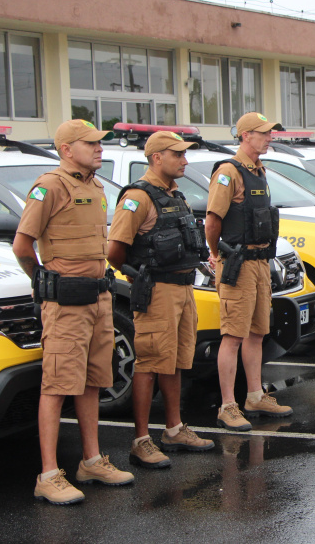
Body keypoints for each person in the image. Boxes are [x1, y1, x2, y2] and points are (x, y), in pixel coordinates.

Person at [12, 119, 134, 505]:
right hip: (65, 301)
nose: (100, 149)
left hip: (98, 297)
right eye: (91, 143)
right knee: (57, 382)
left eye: (100, 143)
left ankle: (92, 460)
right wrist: (44, 282)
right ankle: (48, 475)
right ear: (66, 149)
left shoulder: (96, 186)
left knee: (93, 379)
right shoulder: (50, 185)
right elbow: (22, 245)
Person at [107, 131, 214, 469]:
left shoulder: (174, 194)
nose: (184, 160)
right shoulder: (138, 197)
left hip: (183, 288)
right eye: (177, 154)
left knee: (176, 361)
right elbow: (115, 251)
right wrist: (138, 276)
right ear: (156, 158)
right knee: (150, 364)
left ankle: (174, 428)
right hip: (157, 291)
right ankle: (141, 441)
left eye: (184, 154)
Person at [206, 112, 292, 431]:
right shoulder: (229, 172)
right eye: (264, 133)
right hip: (237, 264)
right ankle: (228, 405)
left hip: (259, 262)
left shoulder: (259, 170)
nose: (270, 137)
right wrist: (217, 255)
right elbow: (213, 220)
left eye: (271, 133)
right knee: (233, 336)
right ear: (245, 136)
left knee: (257, 332)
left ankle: (254, 395)